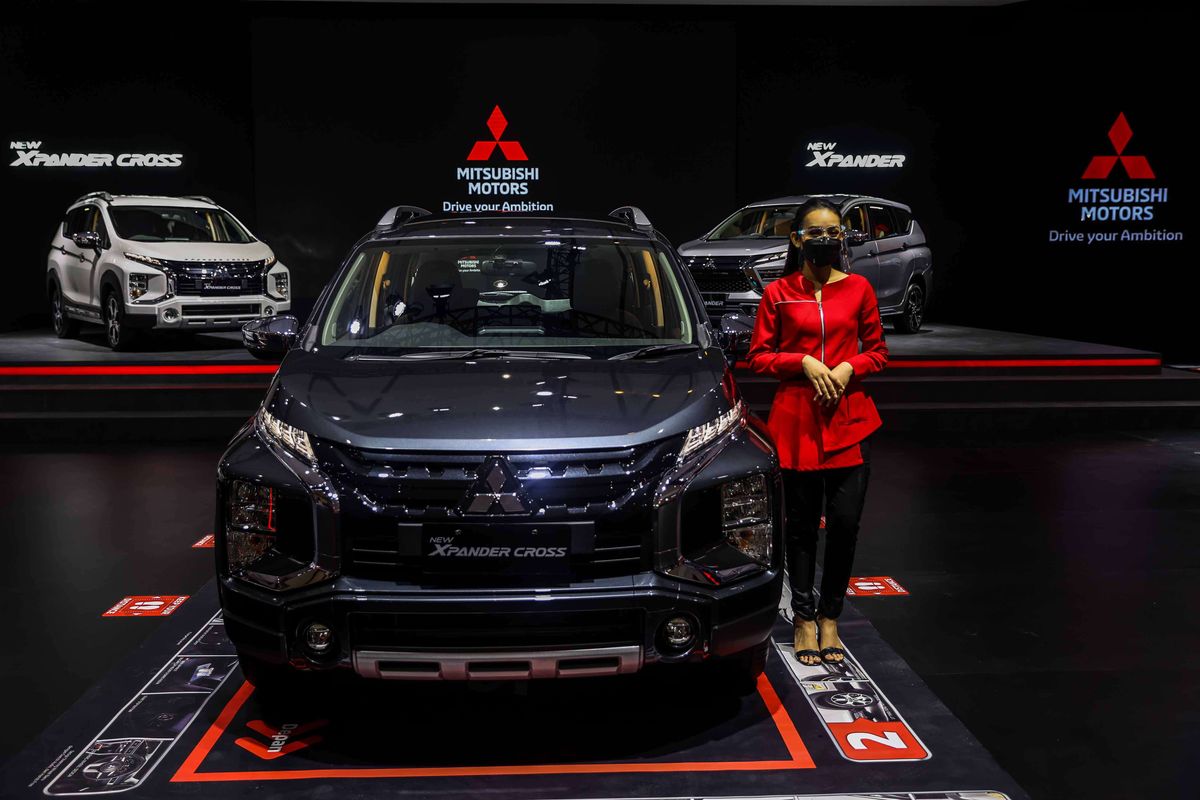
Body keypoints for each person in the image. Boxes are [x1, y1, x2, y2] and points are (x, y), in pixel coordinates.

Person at [745, 197, 888, 666]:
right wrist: (803, 362)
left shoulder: (861, 289)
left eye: (834, 232)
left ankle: (831, 617)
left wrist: (849, 366)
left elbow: (879, 351)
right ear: (797, 239)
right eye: (817, 232)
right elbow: (759, 357)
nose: (827, 240)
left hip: (850, 422)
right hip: (796, 425)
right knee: (801, 528)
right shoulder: (778, 293)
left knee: (845, 525)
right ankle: (804, 619)